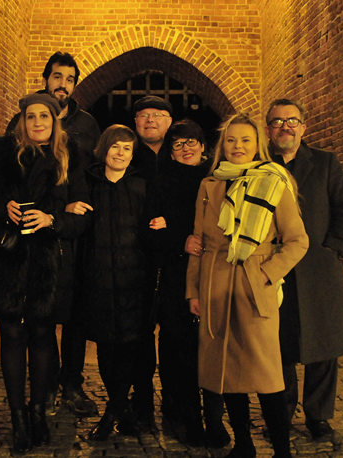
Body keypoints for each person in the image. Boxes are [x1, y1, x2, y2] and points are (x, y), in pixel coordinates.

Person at [186, 112, 309, 458]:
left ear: (258, 145)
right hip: (215, 286)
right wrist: (193, 290)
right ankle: (244, 445)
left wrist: (267, 274)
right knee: (226, 374)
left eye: (245, 140)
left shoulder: (273, 182)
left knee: (267, 377)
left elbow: (298, 240)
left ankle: (282, 452)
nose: (237, 146)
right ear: (221, 146)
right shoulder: (210, 184)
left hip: (254, 287)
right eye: (231, 140)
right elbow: (198, 242)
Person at [0, 93, 89, 453]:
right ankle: (18, 419)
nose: (38, 122)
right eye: (31, 116)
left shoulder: (70, 156)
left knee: (41, 334)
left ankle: (38, 413)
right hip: (8, 261)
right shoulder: (5, 154)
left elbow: (83, 216)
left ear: (55, 121)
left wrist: (52, 219)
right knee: (11, 335)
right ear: (22, 121)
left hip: (48, 263)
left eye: (44, 116)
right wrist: (2, 207)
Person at [6, 51, 101, 417]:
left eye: (70, 79)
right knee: (40, 320)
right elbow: (10, 173)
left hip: (71, 234)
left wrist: (75, 207)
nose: (63, 84)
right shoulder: (23, 119)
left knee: (73, 316)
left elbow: (89, 176)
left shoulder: (87, 124)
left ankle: (71, 383)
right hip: (33, 239)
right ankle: (44, 386)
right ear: (46, 79)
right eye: (57, 76)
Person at [265, 99, 343, 440]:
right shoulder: (261, 166)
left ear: (303, 127)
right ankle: (282, 414)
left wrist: (334, 249)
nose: (285, 127)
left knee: (324, 345)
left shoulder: (324, 162)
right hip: (275, 267)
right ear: (268, 130)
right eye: (277, 121)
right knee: (279, 345)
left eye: (292, 120)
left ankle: (318, 416)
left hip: (318, 267)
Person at [145, 119, 231, 448]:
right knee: (178, 347)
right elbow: (151, 231)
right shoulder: (160, 182)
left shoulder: (217, 180)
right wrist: (180, 240)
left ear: (203, 146)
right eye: (178, 144)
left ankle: (215, 417)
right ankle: (185, 414)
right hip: (176, 276)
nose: (185, 149)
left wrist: (173, 225)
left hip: (214, 272)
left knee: (212, 346)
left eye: (191, 142)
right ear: (170, 151)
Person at [76, 125, 149, 441]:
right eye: (116, 146)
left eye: (127, 148)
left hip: (134, 278)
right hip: (98, 277)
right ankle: (123, 412)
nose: (120, 153)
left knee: (129, 346)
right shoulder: (88, 184)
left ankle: (112, 414)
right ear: (104, 148)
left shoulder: (141, 185)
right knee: (106, 346)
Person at [130, 95, 173, 180]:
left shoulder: (179, 150)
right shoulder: (125, 152)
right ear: (136, 121)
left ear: (169, 121)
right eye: (144, 115)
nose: (150, 120)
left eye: (157, 115)